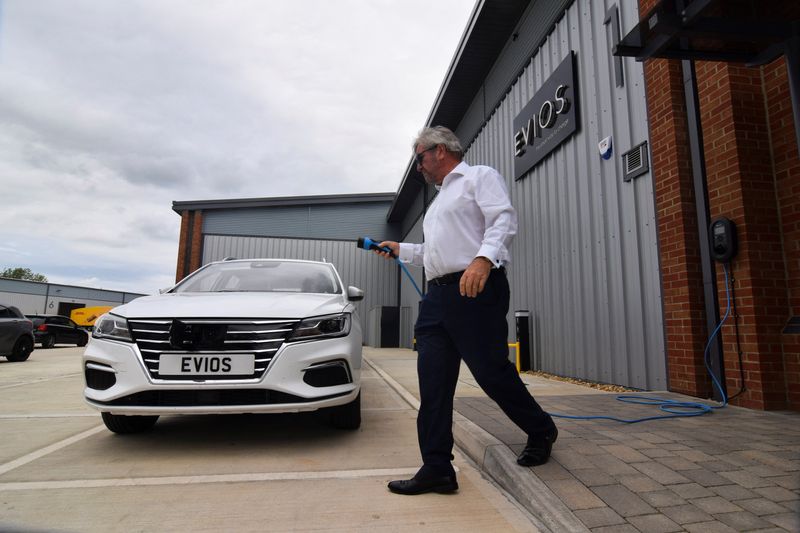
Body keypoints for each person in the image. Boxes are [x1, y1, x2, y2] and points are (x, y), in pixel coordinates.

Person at [374, 126, 558, 496]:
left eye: (420, 159)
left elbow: (502, 219)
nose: (419, 168)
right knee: (434, 383)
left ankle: (541, 430)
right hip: (437, 298)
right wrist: (402, 250)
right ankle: (437, 467)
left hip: (475, 289)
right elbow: (435, 255)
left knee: (491, 373)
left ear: (440, 151)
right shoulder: (438, 201)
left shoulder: (479, 177)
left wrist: (483, 259)